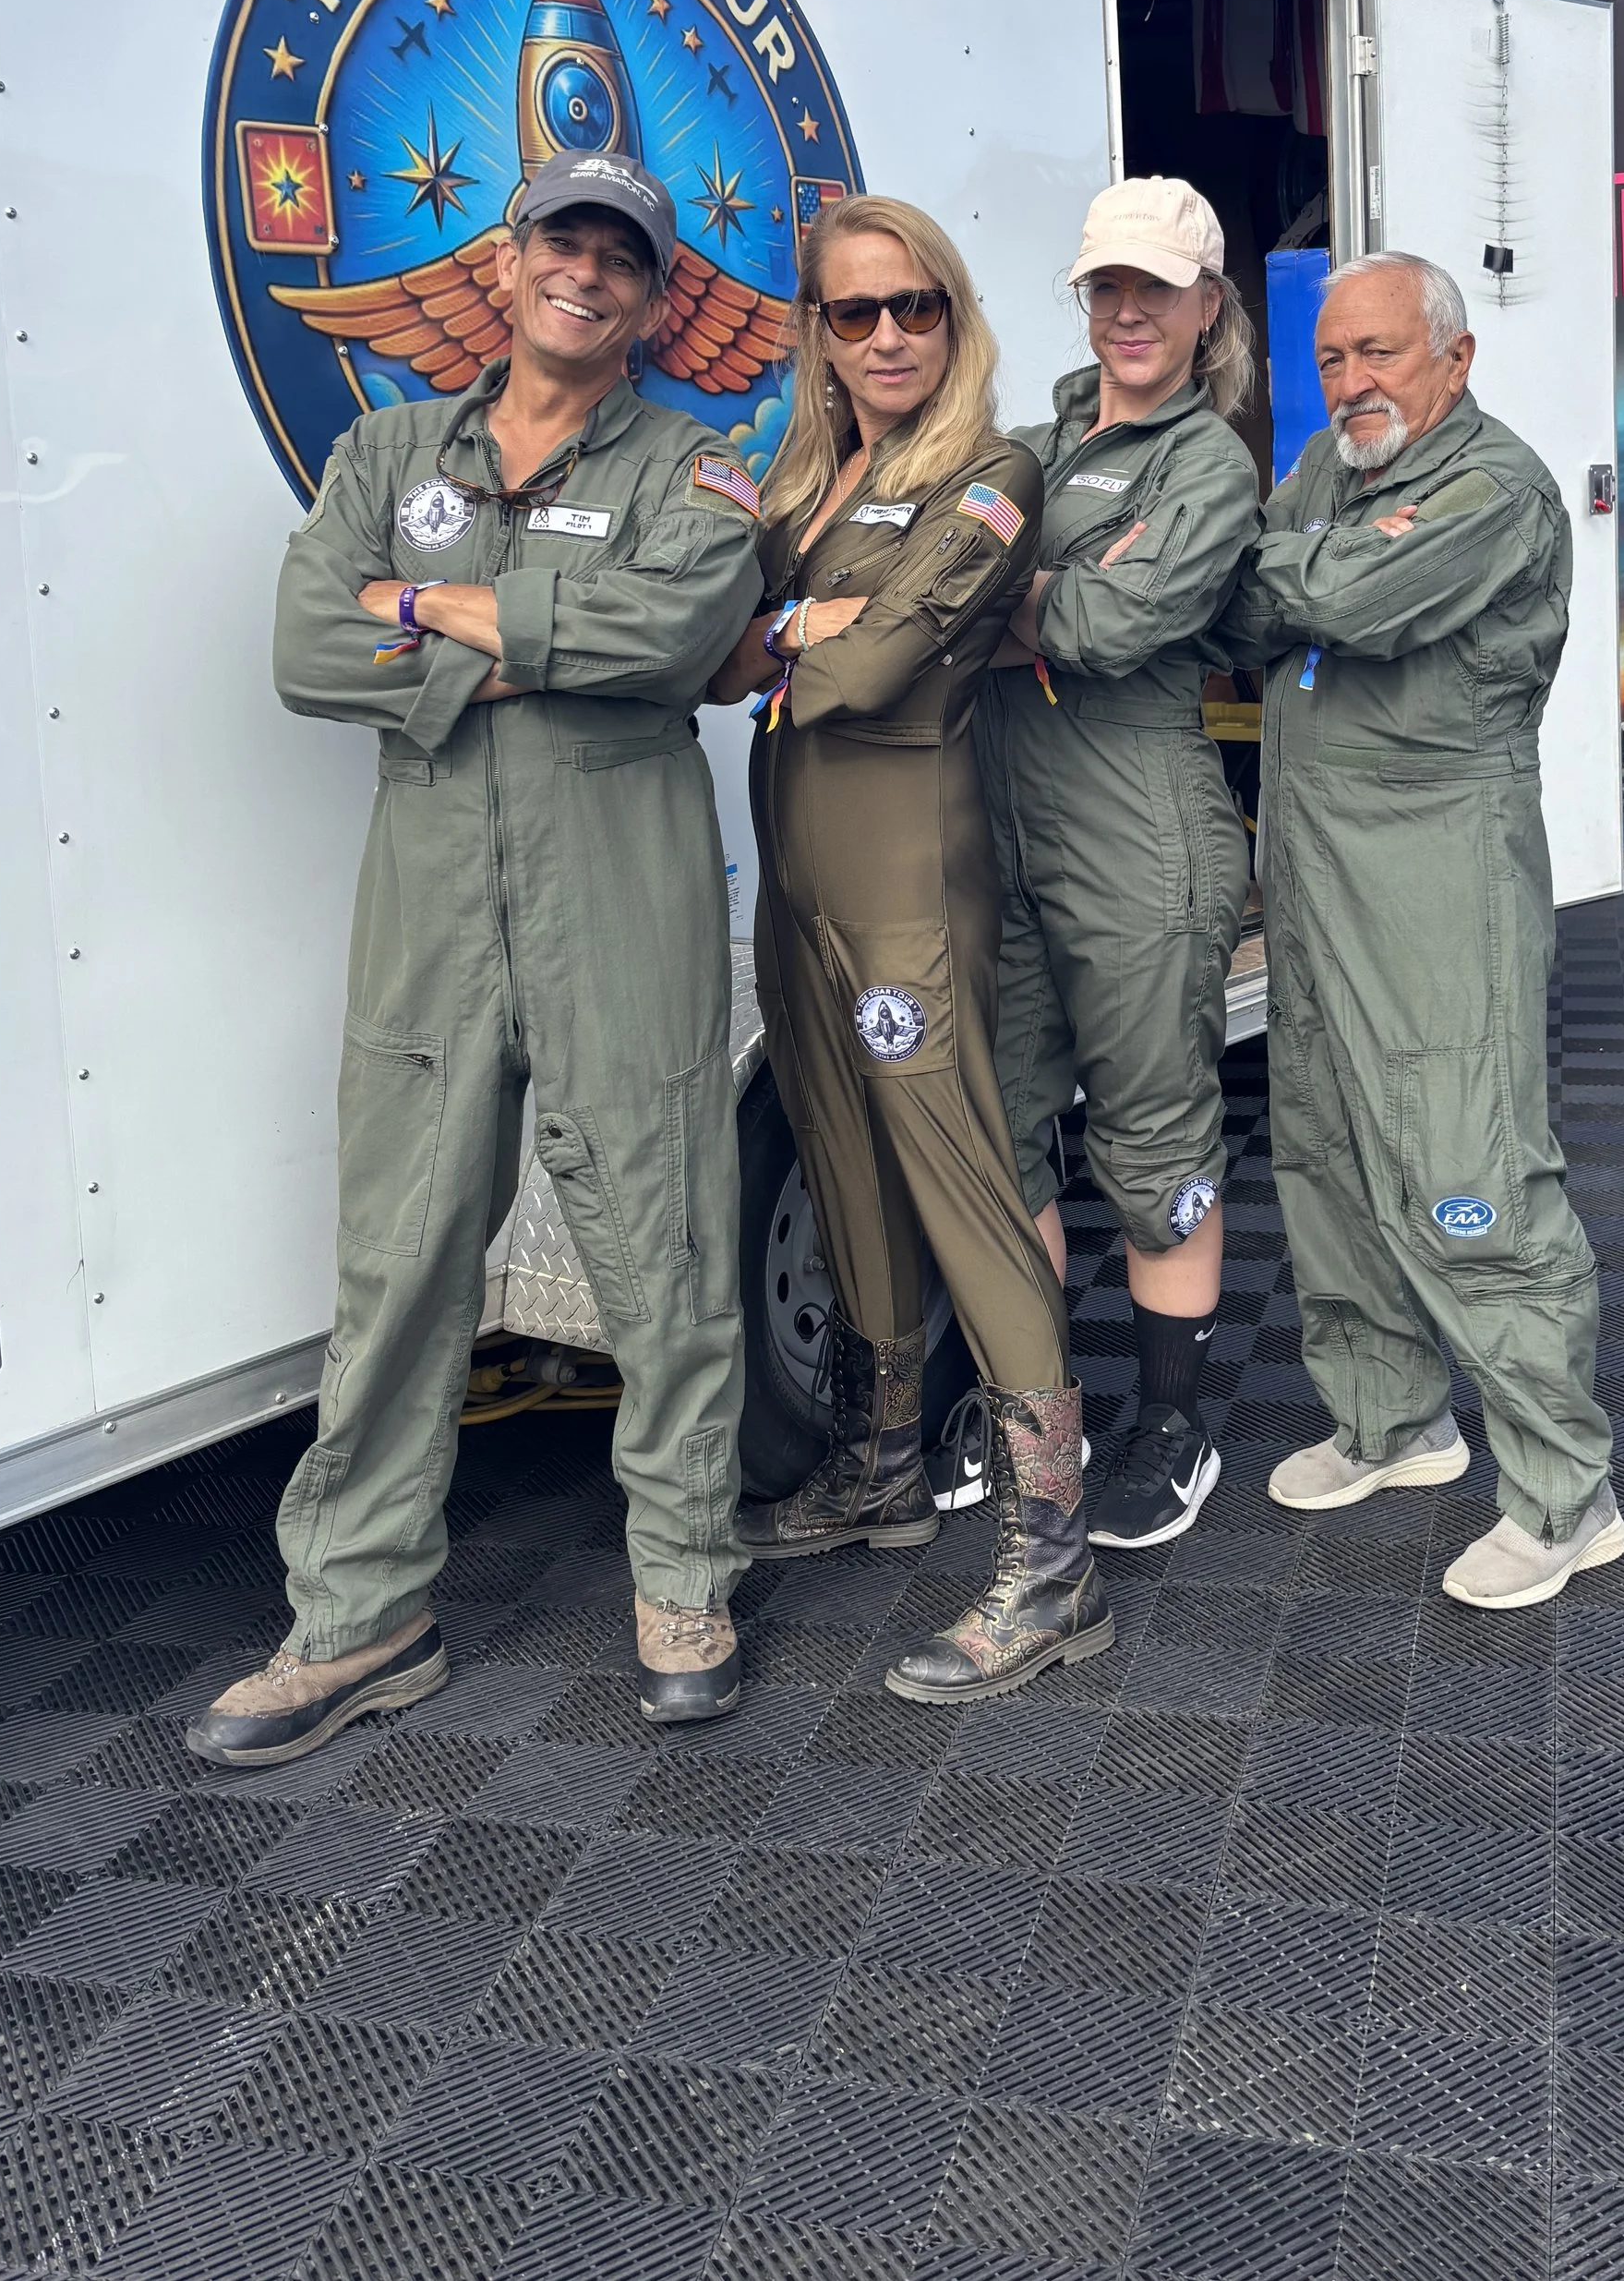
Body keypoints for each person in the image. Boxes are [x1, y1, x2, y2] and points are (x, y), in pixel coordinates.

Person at [189, 151, 764, 1764]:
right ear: (506, 267)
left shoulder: (695, 468)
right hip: (434, 894)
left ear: (654, 300)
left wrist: (435, 610)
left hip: (620, 885)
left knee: (663, 1242)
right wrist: (525, 635)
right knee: (398, 1257)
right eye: (560, 243)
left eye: (621, 258)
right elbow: (310, 651)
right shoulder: (387, 449)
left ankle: (684, 1577)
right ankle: (359, 1616)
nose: (586, 273)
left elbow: (671, 640)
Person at [712, 195, 1114, 1702]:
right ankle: (877, 1465)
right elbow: (705, 646)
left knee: (958, 1180)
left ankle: (1052, 1558)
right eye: (854, 312)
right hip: (799, 883)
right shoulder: (816, 480)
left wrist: (793, 630)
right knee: (836, 1155)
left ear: (956, 318)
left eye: (915, 307)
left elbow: (871, 666)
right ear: (818, 332)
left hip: (905, 891)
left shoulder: (995, 475)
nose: (888, 336)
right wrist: (806, 621)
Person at [1222, 252, 1624, 1607]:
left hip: (1440, 870)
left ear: (1453, 359)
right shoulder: (1333, 480)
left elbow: (1322, 600)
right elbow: (1251, 592)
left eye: (1381, 353)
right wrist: (1291, 567)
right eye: (1334, 359)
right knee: (1328, 1142)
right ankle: (1394, 1425)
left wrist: (1290, 572)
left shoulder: (1494, 489)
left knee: (1465, 1158)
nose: (1353, 383)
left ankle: (1567, 1493)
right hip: (1321, 869)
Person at [971, 176, 1260, 1548]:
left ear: (1208, 308)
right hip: (1010, 827)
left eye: (1156, 287)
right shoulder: (1033, 443)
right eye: (1106, 287)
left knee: (1152, 1136)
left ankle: (1173, 1422)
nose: (1129, 310)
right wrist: (1021, 595)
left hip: (1142, 827)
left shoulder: (1208, 467)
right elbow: (959, 578)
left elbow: (1096, 629)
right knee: (1003, 1131)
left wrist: (1001, 595)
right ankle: (1043, 1419)